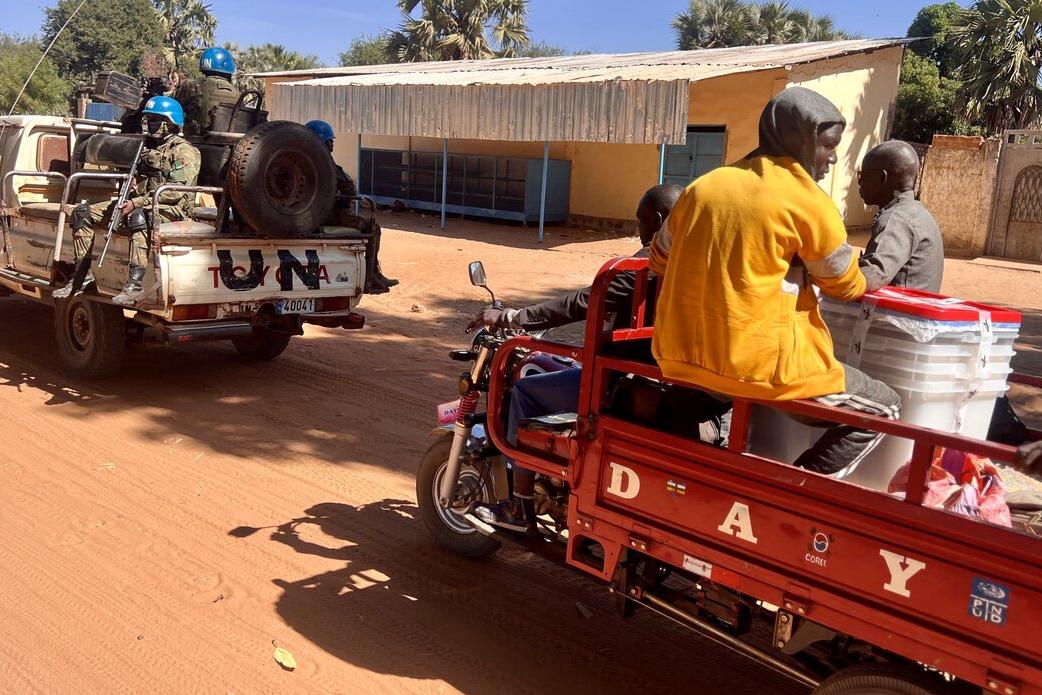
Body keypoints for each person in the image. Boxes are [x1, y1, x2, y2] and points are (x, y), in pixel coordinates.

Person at [652, 86, 901, 476]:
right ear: (797, 140)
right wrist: (870, 276)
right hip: (767, 369)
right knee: (885, 407)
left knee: (722, 390)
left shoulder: (702, 188)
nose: (833, 158)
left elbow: (659, 258)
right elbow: (845, 286)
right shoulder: (808, 201)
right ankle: (789, 493)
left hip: (680, 357)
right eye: (827, 146)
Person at [467, 184, 685, 533]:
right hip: (661, 376)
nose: (637, 230)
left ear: (657, 220)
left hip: (619, 381)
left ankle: (519, 508)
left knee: (526, 392)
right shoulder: (693, 262)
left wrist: (513, 316)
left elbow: (581, 302)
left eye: (640, 221)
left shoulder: (643, 266)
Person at [55, 96, 201, 305]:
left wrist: (137, 202)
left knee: (138, 217)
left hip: (170, 209)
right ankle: (82, 276)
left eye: (153, 120)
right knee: (82, 213)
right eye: (148, 119)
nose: (148, 124)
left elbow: (175, 193)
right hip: (140, 202)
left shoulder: (184, 151)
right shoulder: (148, 146)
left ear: (169, 122)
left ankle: (134, 285)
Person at [304, 120, 398, 293]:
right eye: (329, 141)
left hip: (302, 216)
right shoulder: (323, 161)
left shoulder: (297, 158)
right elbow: (348, 187)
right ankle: (372, 276)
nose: (332, 144)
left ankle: (374, 274)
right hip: (326, 215)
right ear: (321, 141)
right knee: (372, 227)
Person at [857, 140, 943, 292]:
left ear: (882, 178)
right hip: (915, 311)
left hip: (897, 315)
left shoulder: (895, 219)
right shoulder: (918, 213)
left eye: (863, 175)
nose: (859, 182)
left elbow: (872, 276)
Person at [172, 47, 241, 137]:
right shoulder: (238, 94)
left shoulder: (192, 85)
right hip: (229, 144)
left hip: (196, 142)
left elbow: (171, 104)